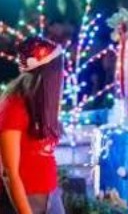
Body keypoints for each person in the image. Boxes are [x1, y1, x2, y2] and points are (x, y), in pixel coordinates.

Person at [0, 37, 65, 214]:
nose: (62, 76)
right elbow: (9, 173)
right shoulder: (14, 106)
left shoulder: (42, 104)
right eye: (59, 70)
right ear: (48, 73)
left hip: (51, 195)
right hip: (27, 198)